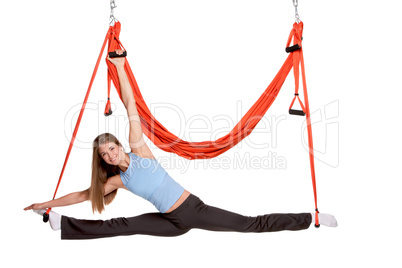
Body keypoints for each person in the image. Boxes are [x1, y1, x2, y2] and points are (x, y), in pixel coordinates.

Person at [24, 50, 337, 240]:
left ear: (120, 145)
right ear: (104, 159)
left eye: (111, 147)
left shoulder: (139, 150)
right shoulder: (117, 180)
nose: (110, 153)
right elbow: (82, 194)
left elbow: (132, 107)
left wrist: (119, 68)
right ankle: (58, 223)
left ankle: (312, 219)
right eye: (104, 153)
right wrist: (45, 203)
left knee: (250, 224)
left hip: (193, 210)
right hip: (170, 223)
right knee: (119, 226)